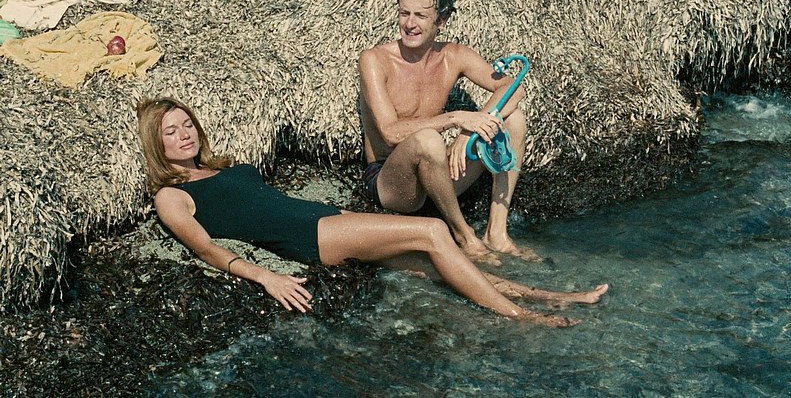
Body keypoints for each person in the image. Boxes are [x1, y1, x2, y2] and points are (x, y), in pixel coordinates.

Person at [136, 97, 609, 327]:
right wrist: (266, 277)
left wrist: (343, 213)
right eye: (170, 132)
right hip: (310, 237)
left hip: (324, 218)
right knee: (431, 230)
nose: (184, 135)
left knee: (431, 263)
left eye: (187, 125)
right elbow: (206, 248)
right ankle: (521, 316)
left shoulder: (221, 168)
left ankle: (545, 296)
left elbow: (270, 204)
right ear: (156, 145)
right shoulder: (171, 195)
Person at [359, 0, 535, 265]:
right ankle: (464, 236)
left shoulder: (453, 56)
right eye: (404, 13)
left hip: (435, 177)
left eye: (420, 15)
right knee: (428, 140)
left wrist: (470, 131)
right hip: (392, 182)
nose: (410, 24)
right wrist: (456, 119)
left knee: (514, 120)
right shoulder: (374, 60)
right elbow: (390, 133)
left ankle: (497, 233)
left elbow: (513, 88)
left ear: (441, 21)